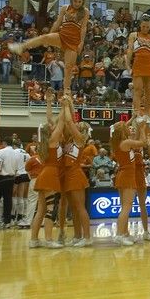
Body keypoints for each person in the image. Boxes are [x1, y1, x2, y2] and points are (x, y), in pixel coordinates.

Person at [9, 0, 89, 95]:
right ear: (71, 0)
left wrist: (81, 42)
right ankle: (21, 46)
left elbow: (84, 27)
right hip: (62, 36)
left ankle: (66, 90)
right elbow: (57, 22)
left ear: (82, 2)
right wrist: (50, 35)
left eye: (79, 2)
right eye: (75, 1)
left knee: (69, 67)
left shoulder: (85, 11)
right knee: (45, 37)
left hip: (74, 41)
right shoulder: (65, 8)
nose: (77, 3)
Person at [29, 97, 66, 249]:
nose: (54, 126)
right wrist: (65, 105)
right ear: (50, 130)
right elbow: (62, 121)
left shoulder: (45, 141)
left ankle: (33, 240)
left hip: (43, 175)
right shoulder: (53, 140)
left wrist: (50, 102)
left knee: (41, 210)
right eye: (51, 126)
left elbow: (50, 119)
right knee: (51, 208)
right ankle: (49, 240)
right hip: (50, 175)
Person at [110, 120, 149, 246]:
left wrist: (133, 118)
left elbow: (122, 128)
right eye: (126, 127)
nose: (128, 128)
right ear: (122, 131)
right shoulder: (126, 142)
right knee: (126, 207)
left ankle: (125, 233)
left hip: (123, 174)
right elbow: (143, 142)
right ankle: (119, 235)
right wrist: (142, 128)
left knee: (124, 207)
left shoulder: (119, 142)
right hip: (127, 176)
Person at [59, 99, 92, 247]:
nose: (76, 125)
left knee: (80, 207)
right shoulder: (71, 139)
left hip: (76, 175)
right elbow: (68, 121)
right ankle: (78, 235)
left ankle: (87, 237)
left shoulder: (79, 139)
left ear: (82, 131)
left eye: (79, 126)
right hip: (67, 175)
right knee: (73, 209)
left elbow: (69, 120)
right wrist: (69, 103)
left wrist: (66, 105)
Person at [126, 15, 150, 120]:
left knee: (149, 91)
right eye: (143, 26)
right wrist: (128, 66)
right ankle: (136, 112)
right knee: (138, 90)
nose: (145, 29)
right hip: (138, 65)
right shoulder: (134, 35)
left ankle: (147, 113)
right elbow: (130, 50)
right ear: (140, 25)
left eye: (147, 27)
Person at [0, 137, 24, 229]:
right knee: (8, 200)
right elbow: (17, 168)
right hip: (11, 178)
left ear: (4, 143)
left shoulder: (0, 152)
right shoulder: (16, 153)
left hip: (1, 178)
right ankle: (7, 222)